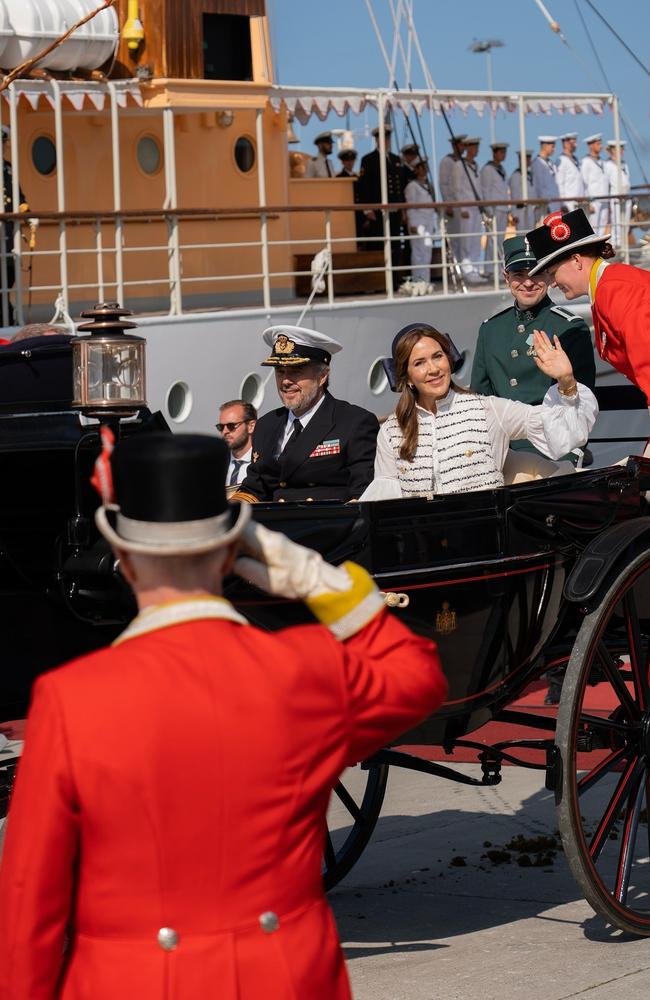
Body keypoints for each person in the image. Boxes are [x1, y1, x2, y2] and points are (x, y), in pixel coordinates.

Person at [0, 431, 447, 999]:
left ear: (125, 558)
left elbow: (29, 901)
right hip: (283, 977)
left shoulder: (71, 698)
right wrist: (319, 579)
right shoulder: (303, 671)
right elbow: (417, 675)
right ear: (234, 552)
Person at [360, 323, 597, 500]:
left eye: (437, 356)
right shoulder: (391, 431)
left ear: (449, 361)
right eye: (419, 363)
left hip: (486, 540)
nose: (433, 369)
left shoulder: (488, 409)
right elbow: (385, 498)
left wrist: (566, 381)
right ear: (407, 378)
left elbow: (564, 431)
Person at [471, 235, 595, 464]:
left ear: (548, 275)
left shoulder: (569, 328)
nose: (528, 283)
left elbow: (582, 403)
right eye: (519, 275)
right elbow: (481, 398)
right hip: (504, 449)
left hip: (554, 447)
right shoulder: (490, 330)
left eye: (536, 273)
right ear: (506, 278)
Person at [234, 325, 379, 503]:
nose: (285, 381)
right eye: (280, 372)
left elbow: (364, 494)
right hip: (273, 526)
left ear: (323, 376)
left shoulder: (354, 423)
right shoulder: (266, 425)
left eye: (296, 371)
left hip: (327, 525)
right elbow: (255, 488)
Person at [527, 208, 650, 404]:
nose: (552, 283)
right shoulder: (608, 288)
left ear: (576, 260)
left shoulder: (615, 291)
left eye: (552, 273)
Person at [356, 123, 403, 284]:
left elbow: (399, 187)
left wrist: (402, 209)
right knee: (378, 246)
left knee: (395, 245)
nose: (387, 141)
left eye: (388, 137)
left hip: (394, 211)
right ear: (377, 140)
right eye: (383, 138)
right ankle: (380, 281)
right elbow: (362, 187)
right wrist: (367, 209)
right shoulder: (368, 160)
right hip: (377, 212)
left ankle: (395, 280)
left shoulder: (396, 160)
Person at [1, 124, 29, 325]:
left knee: (8, 277)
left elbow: (19, 198)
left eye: (3, 143)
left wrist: (25, 210)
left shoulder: (8, 169)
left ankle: (7, 319)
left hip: (8, 235)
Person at [451, 136, 486, 283]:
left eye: (477, 146)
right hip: (466, 208)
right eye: (473, 146)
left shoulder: (474, 165)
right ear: (467, 148)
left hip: (476, 208)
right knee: (466, 239)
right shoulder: (460, 165)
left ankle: (475, 268)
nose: (476, 149)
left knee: (475, 239)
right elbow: (456, 188)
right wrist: (462, 207)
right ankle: (467, 269)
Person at [404, 157, 437, 284]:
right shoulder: (412, 186)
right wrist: (412, 223)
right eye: (421, 166)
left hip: (428, 223)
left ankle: (425, 281)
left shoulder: (428, 185)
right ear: (416, 169)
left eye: (425, 166)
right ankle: (419, 281)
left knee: (427, 252)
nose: (425, 169)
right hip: (418, 223)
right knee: (418, 254)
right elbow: (410, 206)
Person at [217, 398, 257, 492]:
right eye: (221, 427)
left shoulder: (263, 463)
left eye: (231, 426)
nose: (225, 431)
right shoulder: (215, 464)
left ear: (251, 426)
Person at [438, 133, 466, 261]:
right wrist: (447, 203)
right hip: (452, 206)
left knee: (463, 237)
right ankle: (454, 266)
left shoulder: (462, 162)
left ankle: (462, 265)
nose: (463, 147)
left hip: (461, 205)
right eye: (461, 145)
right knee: (453, 238)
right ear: (454, 146)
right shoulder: (447, 161)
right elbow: (443, 184)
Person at [604, 139, 631, 249]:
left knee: (626, 223)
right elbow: (606, 184)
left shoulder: (624, 164)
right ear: (612, 150)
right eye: (620, 149)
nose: (622, 151)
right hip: (615, 197)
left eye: (622, 148)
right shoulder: (608, 165)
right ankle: (616, 246)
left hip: (626, 196)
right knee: (616, 223)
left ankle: (624, 244)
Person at [580, 134, 609, 236]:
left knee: (602, 225)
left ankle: (600, 248)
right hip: (594, 200)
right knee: (594, 225)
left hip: (605, 199)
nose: (600, 146)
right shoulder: (586, 162)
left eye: (600, 143)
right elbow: (583, 183)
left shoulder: (603, 162)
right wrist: (588, 202)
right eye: (598, 144)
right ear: (590, 146)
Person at [480, 141, 510, 241]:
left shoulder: (502, 169)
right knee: (492, 239)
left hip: (503, 209)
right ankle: (493, 257)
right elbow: (485, 191)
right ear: (494, 153)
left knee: (500, 239)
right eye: (501, 152)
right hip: (494, 210)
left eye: (504, 152)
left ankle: (499, 256)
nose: (504, 155)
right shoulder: (488, 169)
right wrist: (489, 211)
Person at [555, 132, 585, 213]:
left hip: (579, 202)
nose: (576, 145)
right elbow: (559, 183)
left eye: (575, 142)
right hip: (568, 203)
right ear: (566, 144)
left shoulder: (576, 160)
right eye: (573, 143)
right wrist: (562, 204)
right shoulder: (561, 161)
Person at [531, 136, 561, 216]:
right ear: (544, 146)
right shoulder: (537, 163)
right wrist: (544, 204)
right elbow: (539, 186)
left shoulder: (551, 163)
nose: (553, 149)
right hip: (545, 207)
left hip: (555, 205)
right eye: (552, 146)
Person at [509, 149, 537, 232]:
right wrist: (514, 214)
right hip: (520, 210)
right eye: (526, 158)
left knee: (531, 233)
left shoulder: (530, 174)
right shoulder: (516, 175)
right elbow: (514, 195)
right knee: (521, 235)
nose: (528, 160)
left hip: (531, 209)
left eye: (529, 158)